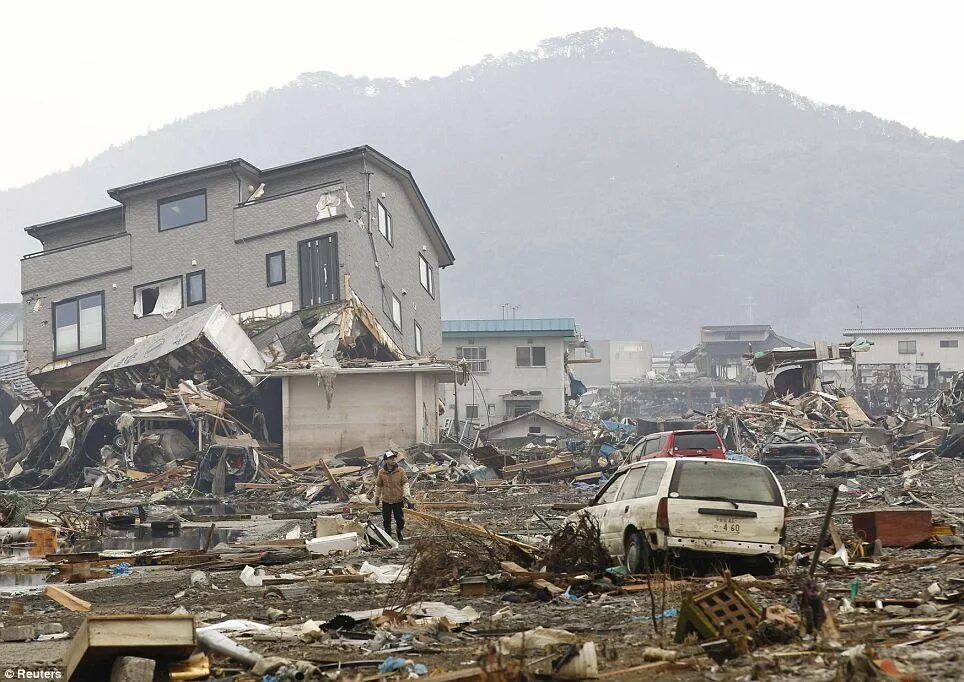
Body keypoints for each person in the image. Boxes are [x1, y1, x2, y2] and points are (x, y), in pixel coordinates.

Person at [373, 451, 410, 540]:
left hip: (398, 499)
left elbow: (405, 483)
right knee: (386, 520)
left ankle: (399, 531)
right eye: (390, 458)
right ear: (385, 460)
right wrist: (377, 497)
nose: (393, 460)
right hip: (386, 500)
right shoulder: (382, 472)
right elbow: (379, 485)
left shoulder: (400, 471)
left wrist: (406, 495)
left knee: (400, 519)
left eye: (393, 458)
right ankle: (388, 535)